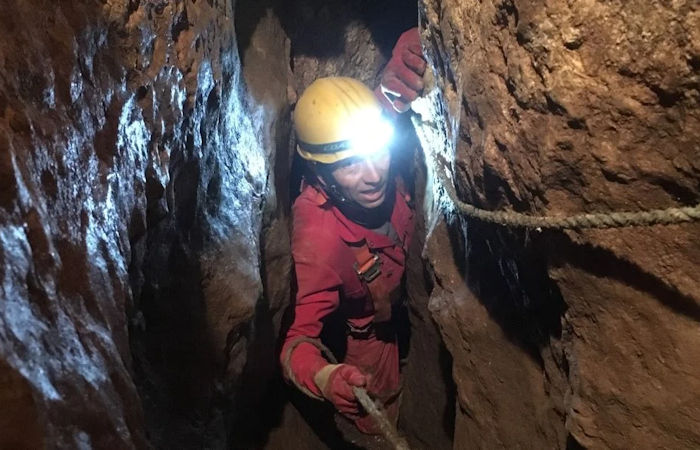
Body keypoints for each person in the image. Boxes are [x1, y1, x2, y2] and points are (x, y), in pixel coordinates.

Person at [280, 28, 426, 435]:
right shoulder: (319, 237)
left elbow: (379, 110)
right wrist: (326, 378)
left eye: (378, 152)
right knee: (377, 418)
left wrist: (407, 62)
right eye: (350, 166)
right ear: (321, 175)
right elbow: (296, 343)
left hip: (411, 285)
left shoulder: (362, 137)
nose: (374, 174)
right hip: (370, 333)